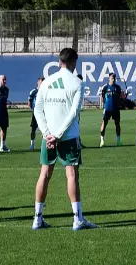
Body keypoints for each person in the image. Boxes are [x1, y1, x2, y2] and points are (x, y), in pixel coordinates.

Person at [32, 48, 98, 231]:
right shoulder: (76, 82)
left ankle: (37, 219)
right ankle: (77, 219)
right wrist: (59, 135)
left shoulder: (46, 82)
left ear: (59, 61)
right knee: (71, 175)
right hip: (67, 137)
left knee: (44, 175)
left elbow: (37, 109)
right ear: (74, 61)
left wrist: (47, 134)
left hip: (49, 138)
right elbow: (73, 113)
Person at [98, 73, 122, 147]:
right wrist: (104, 106)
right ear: (109, 78)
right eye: (112, 78)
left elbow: (120, 97)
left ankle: (118, 140)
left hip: (116, 109)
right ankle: (102, 140)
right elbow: (102, 97)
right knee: (104, 123)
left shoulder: (118, 88)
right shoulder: (105, 87)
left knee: (117, 124)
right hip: (107, 109)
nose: (113, 79)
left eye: (114, 78)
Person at [28, 77, 43, 150]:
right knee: (33, 129)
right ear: (38, 83)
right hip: (35, 114)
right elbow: (29, 102)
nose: (42, 84)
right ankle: (32, 144)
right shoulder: (34, 92)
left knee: (44, 129)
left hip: (43, 114)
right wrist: (33, 110)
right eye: (41, 83)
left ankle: (44, 144)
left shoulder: (46, 91)